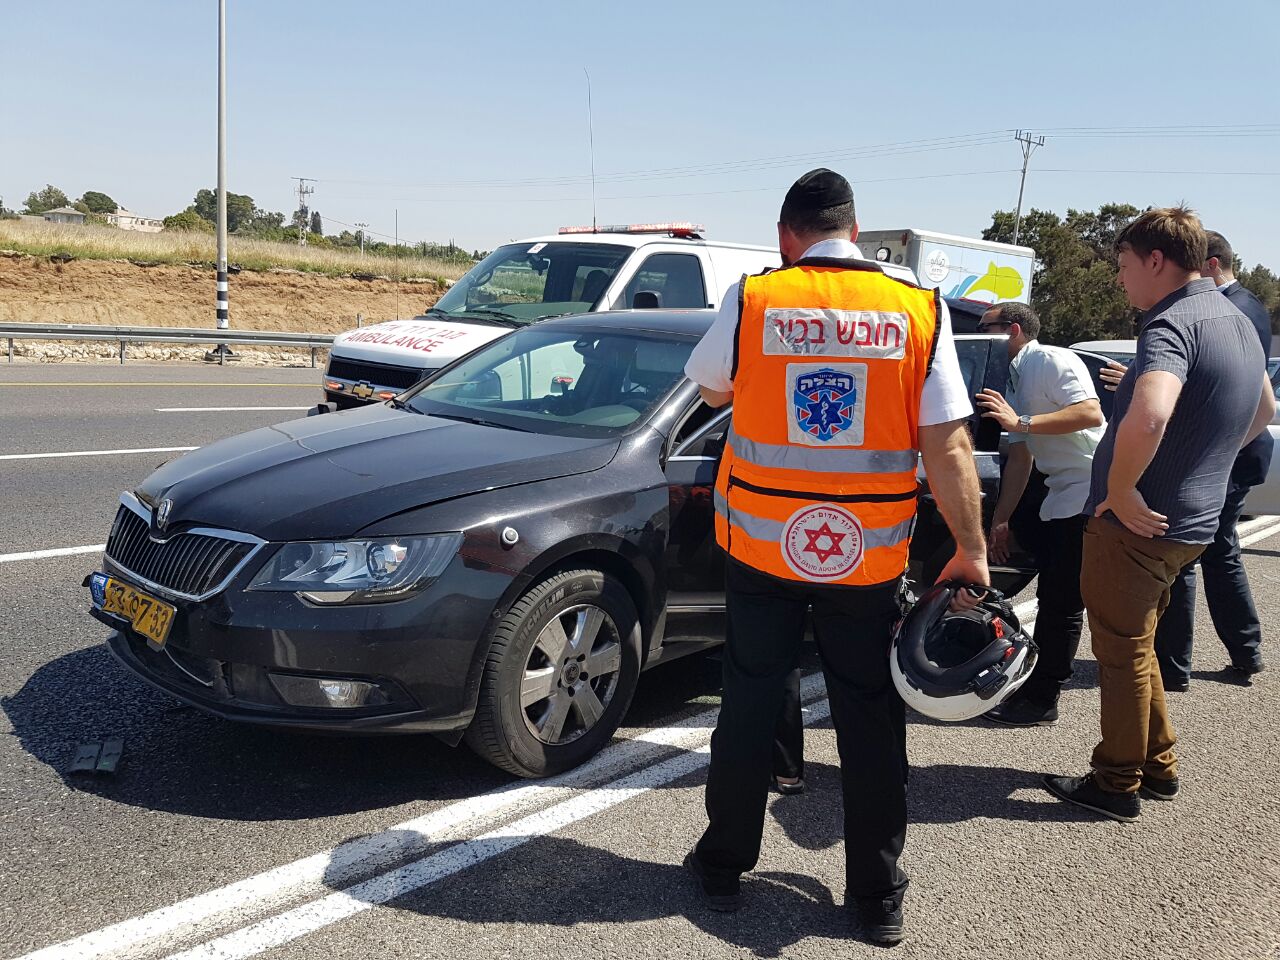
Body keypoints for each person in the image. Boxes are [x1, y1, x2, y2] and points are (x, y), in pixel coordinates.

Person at [681, 168, 988, 945]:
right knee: (870, 717)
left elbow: (711, 391)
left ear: (790, 233)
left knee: (749, 703)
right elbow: (946, 440)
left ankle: (723, 866)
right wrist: (972, 548)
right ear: (855, 229)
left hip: (762, 546)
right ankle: (877, 894)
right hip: (866, 557)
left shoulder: (756, 296)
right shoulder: (917, 306)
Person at [1044, 207, 1275, 823]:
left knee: (1119, 653)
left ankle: (1116, 782)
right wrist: (1209, 467)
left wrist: (1120, 489)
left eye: (1123, 266)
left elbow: (1150, 413)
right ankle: (1159, 764)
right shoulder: (1239, 318)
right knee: (1136, 644)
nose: (1120, 280)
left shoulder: (1169, 325)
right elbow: (1263, 410)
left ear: (1155, 261)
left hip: (1137, 526)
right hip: (1194, 524)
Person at [974, 302, 1106, 726]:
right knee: (1048, 591)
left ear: (1012, 330)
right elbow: (1019, 457)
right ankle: (1030, 680)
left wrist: (1022, 421)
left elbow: (1090, 413)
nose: (979, 337)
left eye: (986, 328)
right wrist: (1002, 519)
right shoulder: (1012, 378)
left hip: (1090, 489)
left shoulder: (1050, 359)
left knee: (1061, 602)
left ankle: (1043, 696)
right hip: (1060, 490)